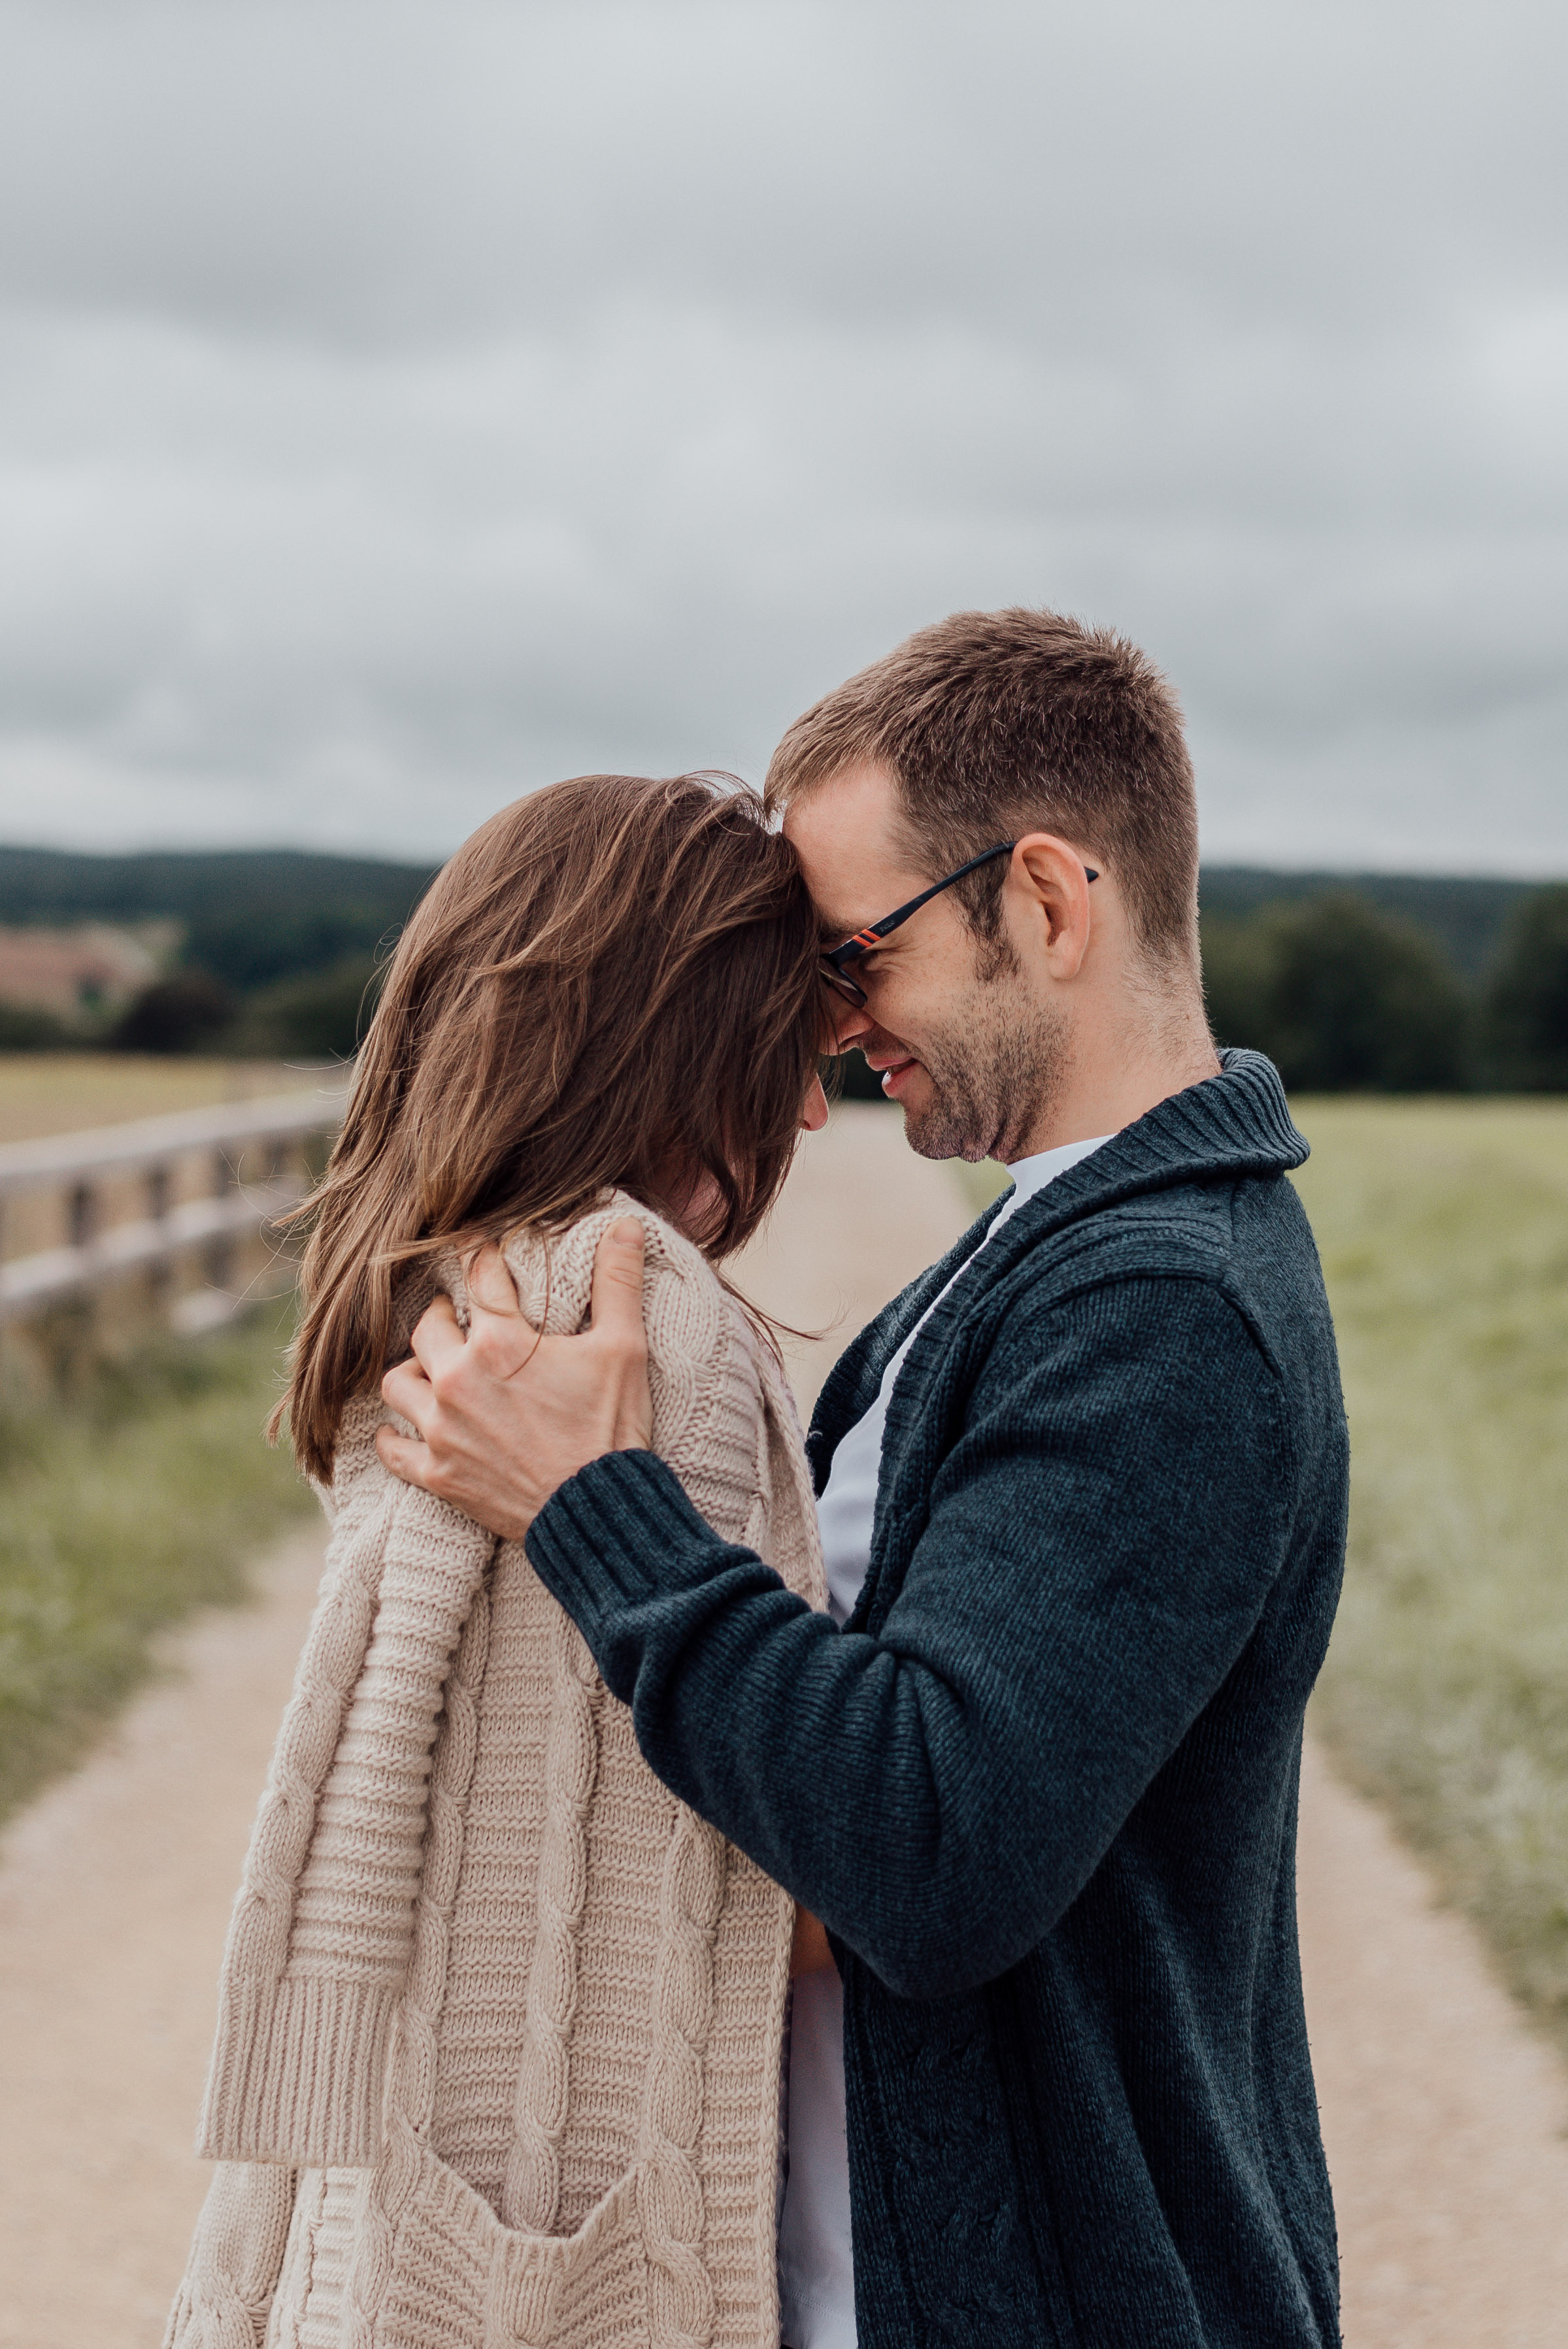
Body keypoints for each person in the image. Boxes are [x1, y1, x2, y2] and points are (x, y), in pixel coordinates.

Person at [379, 610, 1352, 2349]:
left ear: (1048, 902)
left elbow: (929, 1847)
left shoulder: (1167, 1317)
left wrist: (602, 1514)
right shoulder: (1039, 1265)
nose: (827, 1033)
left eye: (856, 956)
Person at [168, 772, 839, 2349]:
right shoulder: (640, 1309)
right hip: (555, 2228)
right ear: (671, 1038)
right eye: (782, 1046)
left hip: (379, 2193)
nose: (813, 1110)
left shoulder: (446, 1281)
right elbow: (782, 1836)